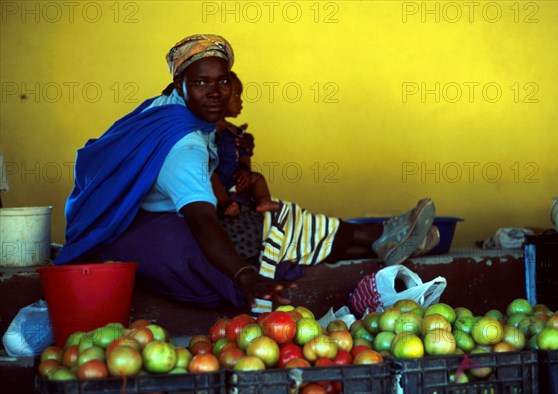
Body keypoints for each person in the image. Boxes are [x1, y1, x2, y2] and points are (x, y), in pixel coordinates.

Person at [54, 34, 439, 312]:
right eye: (201, 83)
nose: (215, 93)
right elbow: (203, 221)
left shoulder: (166, 107)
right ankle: (377, 235)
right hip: (145, 231)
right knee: (273, 235)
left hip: (150, 215)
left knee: (277, 219)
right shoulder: (183, 148)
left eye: (223, 81)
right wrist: (244, 276)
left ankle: (379, 238)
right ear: (178, 84)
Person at [211, 71, 279, 217]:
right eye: (236, 95)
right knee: (209, 178)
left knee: (257, 178)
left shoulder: (237, 132)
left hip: (233, 180)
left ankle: (263, 201)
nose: (240, 101)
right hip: (214, 182)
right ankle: (225, 204)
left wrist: (244, 170)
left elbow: (244, 155)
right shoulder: (205, 131)